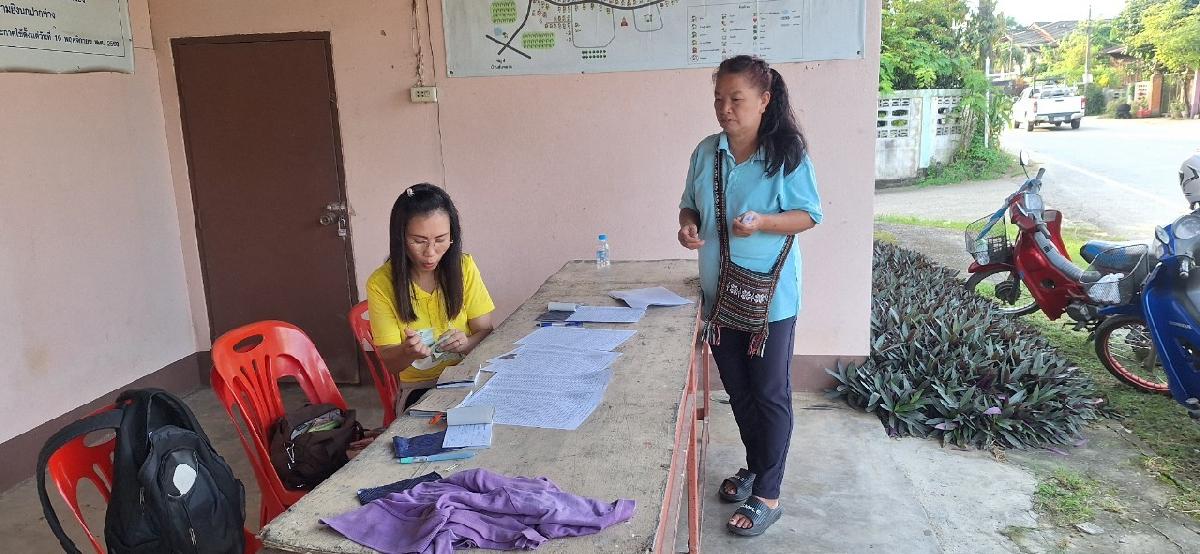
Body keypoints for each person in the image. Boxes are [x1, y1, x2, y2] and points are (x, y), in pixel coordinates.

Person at [676, 55, 822, 537]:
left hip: (770, 301)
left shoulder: (786, 154)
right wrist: (688, 227)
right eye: (719, 98)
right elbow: (689, 206)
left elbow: (808, 215)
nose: (725, 108)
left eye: (736, 99)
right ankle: (757, 467)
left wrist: (763, 221)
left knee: (770, 393)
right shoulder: (707, 152)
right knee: (738, 391)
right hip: (720, 296)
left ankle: (769, 494)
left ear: (764, 100)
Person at [367, 183, 495, 411]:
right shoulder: (381, 284)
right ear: (400, 238)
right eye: (418, 241)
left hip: (468, 374)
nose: (430, 252)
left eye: (441, 239)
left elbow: (485, 332)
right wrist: (407, 352)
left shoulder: (464, 267)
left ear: (452, 236)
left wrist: (466, 344)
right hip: (421, 387)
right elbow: (391, 363)